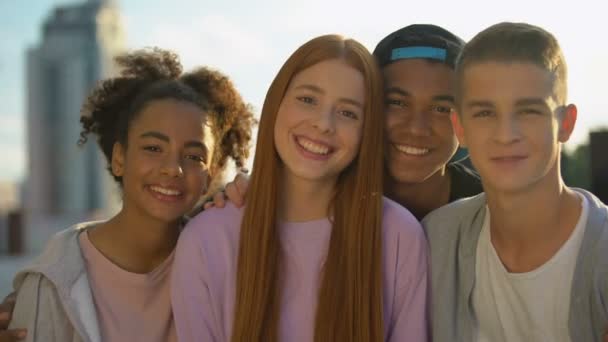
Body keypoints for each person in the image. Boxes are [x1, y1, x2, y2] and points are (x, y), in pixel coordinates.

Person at [171, 34, 429, 342]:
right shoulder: (206, 238)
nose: (323, 124)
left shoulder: (398, 234)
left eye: (348, 112)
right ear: (276, 103)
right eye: (307, 99)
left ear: (367, 131)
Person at [6, 48, 255, 342]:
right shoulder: (49, 284)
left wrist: (254, 202)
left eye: (193, 156)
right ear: (119, 157)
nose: (172, 169)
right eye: (152, 148)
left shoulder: (225, 261)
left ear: (209, 176)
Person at [423, 22, 608, 341]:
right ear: (460, 127)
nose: (506, 135)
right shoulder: (436, 241)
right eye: (484, 113)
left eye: (529, 111)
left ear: (566, 123)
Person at [215, 25, 482, 221]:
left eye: (441, 108)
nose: (416, 127)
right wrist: (250, 192)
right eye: (397, 103)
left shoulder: (492, 208)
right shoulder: (320, 191)